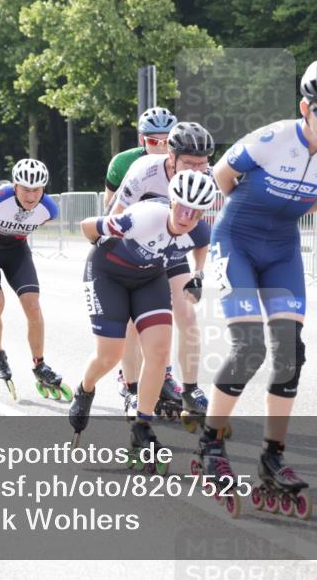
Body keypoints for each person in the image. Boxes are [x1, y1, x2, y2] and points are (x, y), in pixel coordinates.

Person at [197, 60, 317, 518]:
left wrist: (299, 210)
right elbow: (222, 177)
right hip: (237, 240)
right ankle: (211, 443)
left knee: (290, 350)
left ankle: (273, 455)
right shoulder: (271, 139)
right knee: (249, 346)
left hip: (282, 249)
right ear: (305, 108)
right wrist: (249, 211)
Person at [68, 170, 217, 469]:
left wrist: (198, 274)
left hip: (148, 279)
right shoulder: (144, 217)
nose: (187, 216)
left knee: (159, 353)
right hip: (108, 274)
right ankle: (85, 388)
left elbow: (203, 244)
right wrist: (102, 246)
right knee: (111, 354)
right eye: (183, 207)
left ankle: (142, 428)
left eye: (196, 211)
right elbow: (86, 227)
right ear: (172, 201)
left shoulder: (198, 228)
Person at [110, 122, 215, 425]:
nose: (198, 170)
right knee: (132, 322)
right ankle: (131, 388)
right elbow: (116, 216)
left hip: (172, 247)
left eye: (203, 163)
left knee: (188, 315)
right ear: (171, 156)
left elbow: (199, 227)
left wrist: (199, 273)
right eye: (190, 163)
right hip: (134, 249)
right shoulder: (145, 171)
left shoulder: (205, 176)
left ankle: (190, 390)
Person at [0, 159, 67, 401]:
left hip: (16, 251)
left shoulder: (49, 209)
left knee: (33, 306)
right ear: (15, 185)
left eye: (37, 189)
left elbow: (35, 221)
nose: (31, 195)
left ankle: (39, 364)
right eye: (25, 189)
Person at [103, 107, 178, 210]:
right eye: (153, 141)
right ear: (142, 140)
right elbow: (109, 205)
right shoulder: (121, 163)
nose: (161, 147)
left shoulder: (184, 162)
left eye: (166, 141)